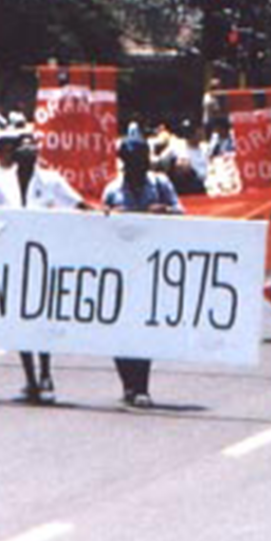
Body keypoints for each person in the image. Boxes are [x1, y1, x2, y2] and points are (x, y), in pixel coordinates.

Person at [0, 137, 90, 403]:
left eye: (34, 148)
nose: (29, 152)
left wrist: (104, 215)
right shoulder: (1, 183)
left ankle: (45, 373)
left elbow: (76, 203)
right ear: (15, 154)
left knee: (41, 319)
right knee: (20, 323)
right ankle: (30, 379)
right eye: (24, 148)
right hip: (14, 261)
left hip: (44, 261)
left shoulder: (51, 181)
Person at [103, 127, 184, 406]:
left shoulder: (160, 184)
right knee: (117, 329)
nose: (135, 168)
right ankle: (128, 382)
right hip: (119, 268)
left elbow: (182, 213)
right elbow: (99, 226)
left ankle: (142, 386)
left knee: (144, 328)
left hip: (151, 266)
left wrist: (164, 211)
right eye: (130, 162)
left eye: (139, 162)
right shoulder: (112, 190)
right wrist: (112, 216)